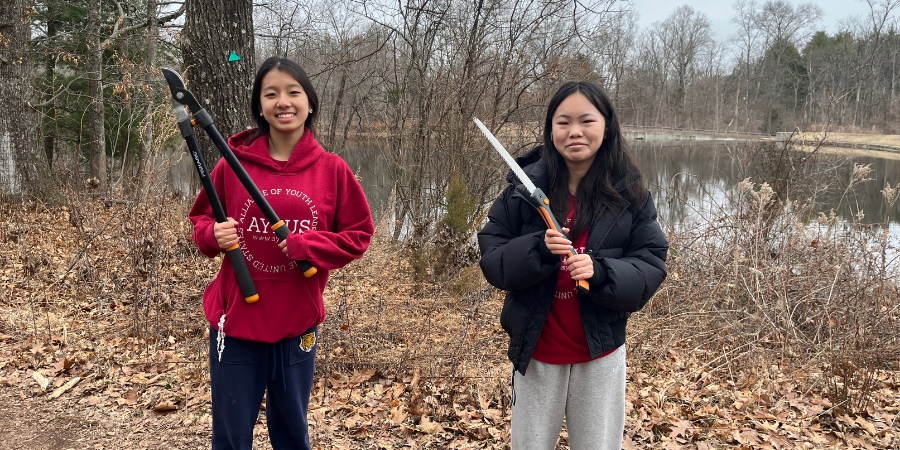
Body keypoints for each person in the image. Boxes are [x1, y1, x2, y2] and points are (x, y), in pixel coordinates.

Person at [189, 56, 374, 450]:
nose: (283, 102)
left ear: (310, 102)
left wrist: (307, 245)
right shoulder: (233, 165)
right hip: (237, 326)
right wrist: (212, 235)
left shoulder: (332, 170)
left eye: (293, 92)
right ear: (259, 106)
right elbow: (201, 220)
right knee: (231, 439)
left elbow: (358, 236)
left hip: (296, 328)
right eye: (271, 94)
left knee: (292, 436)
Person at [477, 81, 668, 450]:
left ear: (606, 127)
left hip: (600, 355)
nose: (574, 131)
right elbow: (492, 258)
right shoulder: (522, 192)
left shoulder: (631, 193)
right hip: (537, 352)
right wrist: (538, 249)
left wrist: (602, 273)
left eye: (586, 121)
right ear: (551, 130)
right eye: (563, 122)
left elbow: (650, 264)